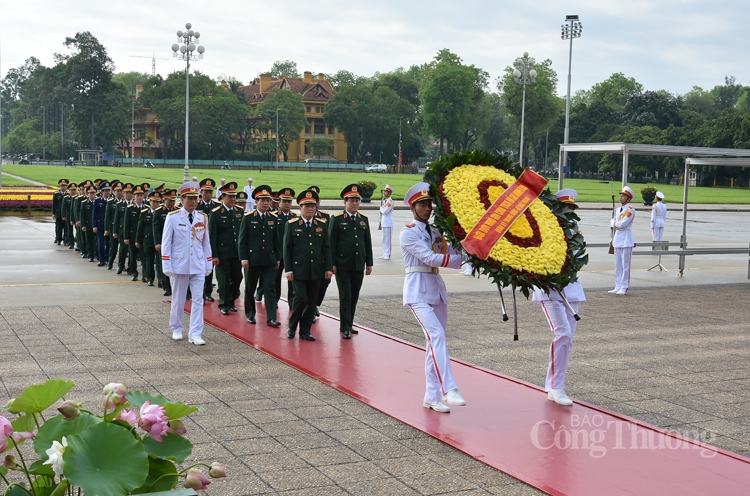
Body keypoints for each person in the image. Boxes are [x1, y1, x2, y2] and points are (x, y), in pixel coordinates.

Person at [400, 182, 468, 413]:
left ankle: (431, 396)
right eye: (422, 204)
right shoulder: (408, 232)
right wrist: (461, 260)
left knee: (434, 343)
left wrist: (469, 249)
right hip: (417, 292)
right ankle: (449, 388)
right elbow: (431, 258)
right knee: (436, 334)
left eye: (429, 204)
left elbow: (448, 253)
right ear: (413, 207)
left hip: (437, 291)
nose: (427, 208)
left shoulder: (436, 231)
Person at [532, 189, 585, 406]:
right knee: (562, 334)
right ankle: (555, 387)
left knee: (568, 339)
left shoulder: (575, 233)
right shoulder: (545, 232)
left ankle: (556, 385)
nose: (569, 213)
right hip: (550, 289)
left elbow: (578, 259)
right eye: (565, 209)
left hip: (571, 289)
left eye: (572, 209)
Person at [162, 181, 212, 345]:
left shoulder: (202, 217)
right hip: (179, 265)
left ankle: (195, 332)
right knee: (178, 299)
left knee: (198, 299)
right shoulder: (173, 217)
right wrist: (166, 264)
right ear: (182, 199)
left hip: (197, 264)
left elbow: (206, 243)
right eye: (189, 198)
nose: (193, 201)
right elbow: (166, 243)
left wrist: (208, 262)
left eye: (195, 198)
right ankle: (176, 328)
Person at [284, 189, 333, 341]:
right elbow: (287, 249)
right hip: (298, 270)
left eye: (313, 206)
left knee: (311, 302)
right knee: (300, 298)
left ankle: (305, 330)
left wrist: (328, 268)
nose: (310, 209)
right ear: (300, 208)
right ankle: (292, 327)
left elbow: (326, 248)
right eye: (307, 206)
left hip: (316, 270)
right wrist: (288, 269)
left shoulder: (321, 225)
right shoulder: (292, 225)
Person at [329, 184, 373, 339]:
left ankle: (348, 323)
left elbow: (367, 242)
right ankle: (346, 326)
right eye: (351, 201)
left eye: (357, 200)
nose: (355, 203)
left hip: (358, 264)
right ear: (345, 202)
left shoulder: (363, 220)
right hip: (342, 265)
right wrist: (331, 263)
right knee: (346, 295)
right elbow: (331, 243)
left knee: (354, 295)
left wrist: (369, 263)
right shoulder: (337, 219)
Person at [239, 185, 281, 326]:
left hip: (269, 259)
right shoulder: (249, 218)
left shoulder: (273, 218)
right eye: (262, 200)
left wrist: (278, 258)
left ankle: (271, 318)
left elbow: (276, 240)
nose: (265, 203)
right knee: (250, 288)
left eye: (267, 200)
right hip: (253, 260)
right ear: (256, 201)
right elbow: (242, 240)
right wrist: (244, 258)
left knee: (270, 288)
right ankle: (250, 314)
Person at [209, 182, 243, 316]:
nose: (233, 199)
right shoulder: (216, 213)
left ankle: (231, 299)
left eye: (234, 197)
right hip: (222, 253)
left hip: (236, 252)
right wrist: (214, 255)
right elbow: (212, 236)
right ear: (223, 197)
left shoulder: (239, 211)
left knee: (238, 277)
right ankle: (223, 303)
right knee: (223, 279)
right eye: (230, 197)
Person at [196, 179, 220, 301]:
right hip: (198, 240)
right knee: (198, 267)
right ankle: (197, 291)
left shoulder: (216, 206)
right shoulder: (197, 205)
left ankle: (207, 291)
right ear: (201, 192)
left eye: (210, 192)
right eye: (206, 192)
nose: (208, 195)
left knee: (209, 267)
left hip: (211, 240)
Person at [609, 186, 635, 295]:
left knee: (625, 265)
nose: (621, 197)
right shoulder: (617, 210)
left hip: (626, 237)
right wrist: (614, 223)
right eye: (621, 195)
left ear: (628, 199)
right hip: (618, 237)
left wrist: (614, 223)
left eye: (623, 196)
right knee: (618, 264)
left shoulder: (630, 210)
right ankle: (618, 285)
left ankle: (624, 286)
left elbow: (622, 223)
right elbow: (613, 222)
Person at [273, 188, 296, 303]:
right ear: (279, 202)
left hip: (291, 255)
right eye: (284, 201)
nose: (287, 204)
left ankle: (292, 301)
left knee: (292, 279)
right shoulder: (274, 216)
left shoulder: (295, 217)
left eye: (289, 202)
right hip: (278, 253)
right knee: (275, 279)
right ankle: (275, 300)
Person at [153, 189, 178, 296]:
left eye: (173, 200)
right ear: (164, 200)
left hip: (176, 243)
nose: (172, 203)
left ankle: (175, 286)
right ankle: (166, 286)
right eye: (169, 200)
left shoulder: (178, 211)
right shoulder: (159, 212)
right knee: (164, 264)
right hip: (164, 243)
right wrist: (158, 243)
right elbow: (156, 229)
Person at [136, 191, 161, 286]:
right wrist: (138, 240)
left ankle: (160, 279)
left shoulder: (161, 213)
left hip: (159, 240)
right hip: (148, 239)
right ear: (150, 202)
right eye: (154, 202)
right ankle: (150, 278)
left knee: (159, 261)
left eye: (157, 202)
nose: (156, 204)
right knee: (149, 260)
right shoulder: (144, 213)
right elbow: (140, 228)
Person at [124, 184, 147, 281]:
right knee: (133, 256)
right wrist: (126, 237)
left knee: (144, 257)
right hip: (133, 236)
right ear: (134, 196)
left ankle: (145, 275)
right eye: (137, 195)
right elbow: (126, 224)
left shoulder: (146, 208)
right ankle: (134, 272)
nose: (140, 197)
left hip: (143, 237)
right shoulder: (129, 208)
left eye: (141, 195)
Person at [114, 183, 134, 274]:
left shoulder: (135, 205)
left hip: (133, 231)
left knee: (132, 252)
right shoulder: (119, 205)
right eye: (126, 192)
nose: (128, 194)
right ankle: (120, 265)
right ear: (123, 193)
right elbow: (116, 219)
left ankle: (130, 267)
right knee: (122, 250)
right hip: (122, 231)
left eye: (130, 192)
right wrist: (115, 231)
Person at [104, 181, 123, 270]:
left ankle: (121, 265)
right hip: (113, 228)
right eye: (117, 191)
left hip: (123, 228)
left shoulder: (125, 202)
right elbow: (107, 217)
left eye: (121, 191)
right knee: (113, 247)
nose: (119, 193)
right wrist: (106, 229)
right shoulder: (111, 202)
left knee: (123, 249)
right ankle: (110, 262)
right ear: (114, 192)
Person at [92, 181, 112, 266]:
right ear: (102, 192)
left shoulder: (112, 201)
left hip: (110, 226)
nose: (107, 192)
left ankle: (106, 258)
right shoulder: (97, 201)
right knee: (100, 242)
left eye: (109, 190)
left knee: (108, 243)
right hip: (100, 225)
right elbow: (94, 214)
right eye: (105, 190)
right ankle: (101, 259)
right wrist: (94, 226)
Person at [79, 185, 98, 262]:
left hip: (97, 225)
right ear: (88, 194)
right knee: (89, 241)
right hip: (88, 224)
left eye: (93, 193)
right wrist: (83, 225)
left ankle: (97, 253)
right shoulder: (84, 203)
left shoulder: (98, 202)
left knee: (97, 241)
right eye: (91, 193)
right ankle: (90, 255)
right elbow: (82, 215)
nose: (92, 195)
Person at [378, 184, 394, 260]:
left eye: (386, 191)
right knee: (384, 238)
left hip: (388, 221)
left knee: (388, 239)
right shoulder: (386, 201)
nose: (384, 193)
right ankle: (384, 253)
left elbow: (385, 211)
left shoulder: (390, 202)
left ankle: (388, 254)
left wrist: (381, 208)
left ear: (389, 193)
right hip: (384, 221)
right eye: (384, 191)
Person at [52, 179, 69, 245]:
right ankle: (58, 238)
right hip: (58, 213)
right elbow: (54, 204)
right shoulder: (56, 194)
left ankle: (65, 239)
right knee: (58, 227)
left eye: (64, 186)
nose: (63, 187)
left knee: (66, 227)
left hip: (66, 213)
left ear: (66, 186)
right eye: (62, 186)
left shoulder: (68, 194)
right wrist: (53, 213)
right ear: (59, 186)